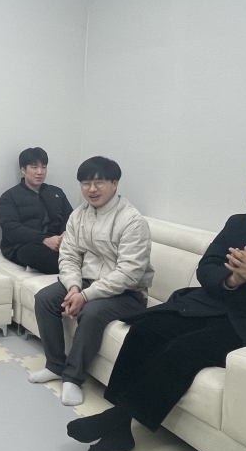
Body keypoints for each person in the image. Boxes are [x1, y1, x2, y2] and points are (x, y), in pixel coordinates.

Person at [67, 156, 246, 451]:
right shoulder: (239, 224)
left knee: (185, 348)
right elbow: (207, 266)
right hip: (211, 305)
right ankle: (121, 430)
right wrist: (232, 279)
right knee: (145, 328)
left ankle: (116, 417)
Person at [28, 156, 153, 405]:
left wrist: (85, 296)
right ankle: (55, 365)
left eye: (99, 182)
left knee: (92, 312)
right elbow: (69, 257)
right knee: (45, 298)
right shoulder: (78, 216)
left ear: (115, 183)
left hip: (127, 293)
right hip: (85, 283)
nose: (92, 189)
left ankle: (73, 378)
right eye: (86, 183)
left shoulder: (132, 220)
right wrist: (74, 287)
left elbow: (129, 273)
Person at [0, 147, 73, 275]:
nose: (40, 172)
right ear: (23, 170)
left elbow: (71, 217)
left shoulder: (56, 192)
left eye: (44, 167)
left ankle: (72, 265)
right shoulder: (9, 197)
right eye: (34, 167)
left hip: (60, 242)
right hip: (26, 244)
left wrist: (65, 233)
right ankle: (72, 268)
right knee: (31, 253)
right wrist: (44, 240)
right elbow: (11, 228)